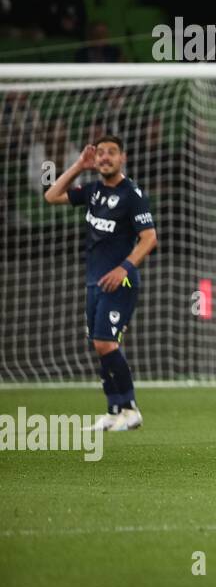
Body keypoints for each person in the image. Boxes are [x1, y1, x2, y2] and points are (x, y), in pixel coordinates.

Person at [43, 135, 158, 432]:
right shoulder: (92, 191)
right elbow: (51, 195)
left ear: (123, 158)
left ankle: (130, 409)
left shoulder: (132, 194)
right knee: (100, 344)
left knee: (106, 342)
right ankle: (113, 409)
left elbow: (149, 238)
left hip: (121, 281)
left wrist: (124, 268)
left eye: (112, 153)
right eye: (101, 153)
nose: (105, 157)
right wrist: (79, 166)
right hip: (94, 282)